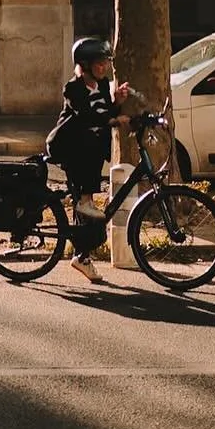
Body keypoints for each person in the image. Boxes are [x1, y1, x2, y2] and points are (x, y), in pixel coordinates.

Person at [45, 35, 133, 284]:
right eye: (99, 63)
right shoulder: (72, 89)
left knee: (88, 215)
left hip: (89, 151)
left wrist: (117, 104)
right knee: (85, 204)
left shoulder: (103, 86)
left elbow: (103, 114)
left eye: (106, 62)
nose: (104, 67)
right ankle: (83, 206)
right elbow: (86, 117)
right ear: (84, 64)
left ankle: (82, 256)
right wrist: (114, 120)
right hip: (70, 148)